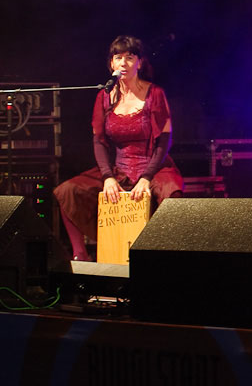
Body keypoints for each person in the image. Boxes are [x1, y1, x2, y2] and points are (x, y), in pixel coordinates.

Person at [54, 35, 184, 261]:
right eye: (118, 58)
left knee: (171, 192)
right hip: (120, 169)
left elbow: (164, 141)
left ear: (139, 63)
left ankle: (166, 258)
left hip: (154, 166)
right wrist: (107, 177)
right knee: (68, 191)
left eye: (130, 58)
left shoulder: (155, 94)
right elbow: (99, 142)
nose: (123, 63)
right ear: (111, 64)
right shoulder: (104, 96)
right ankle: (80, 256)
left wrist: (146, 177)